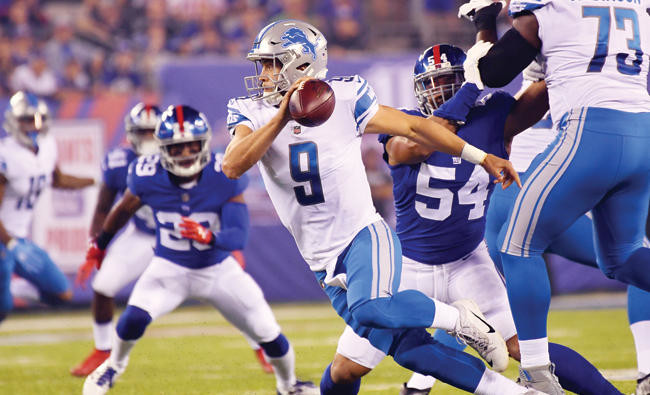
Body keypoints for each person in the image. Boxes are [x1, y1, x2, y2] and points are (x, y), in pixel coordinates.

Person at [224, 19, 544, 395]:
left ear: (300, 63)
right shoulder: (251, 110)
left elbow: (414, 128)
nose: (263, 74)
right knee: (393, 360)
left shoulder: (344, 96)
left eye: (272, 63)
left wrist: (480, 156)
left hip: (363, 238)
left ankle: (458, 320)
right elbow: (233, 164)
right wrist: (282, 116)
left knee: (372, 309)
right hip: (320, 260)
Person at [461, 0, 650, 392]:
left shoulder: (550, 8)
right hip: (642, 133)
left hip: (590, 132)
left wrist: (484, 21)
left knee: (517, 246)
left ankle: (536, 373)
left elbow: (493, 72)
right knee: (623, 257)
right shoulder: (634, 10)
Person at [82, 105, 317, 395]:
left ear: (204, 143)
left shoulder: (222, 174)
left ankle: (288, 384)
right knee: (133, 318)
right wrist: (101, 244)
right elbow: (123, 209)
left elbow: (237, 236)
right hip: (169, 267)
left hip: (218, 269)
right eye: (177, 147)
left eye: (191, 145)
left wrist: (208, 236)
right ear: (163, 148)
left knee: (269, 334)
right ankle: (112, 367)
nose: (185, 153)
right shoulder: (146, 174)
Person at [71, 103, 162, 376]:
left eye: (152, 131)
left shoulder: (180, 157)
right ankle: (103, 350)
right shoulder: (119, 162)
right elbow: (103, 208)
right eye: (142, 132)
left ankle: (262, 345)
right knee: (103, 285)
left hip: (180, 234)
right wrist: (94, 244)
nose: (147, 137)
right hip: (142, 234)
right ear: (131, 133)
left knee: (224, 288)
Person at [0, 91, 95, 323]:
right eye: (26, 120)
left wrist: (96, 181)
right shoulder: (5, 154)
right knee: (2, 309)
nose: (33, 125)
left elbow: (58, 180)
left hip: (19, 239)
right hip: (4, 240)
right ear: (13, 121)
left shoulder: (48, 145)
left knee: (62, 294)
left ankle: (18, 289)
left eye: (37, 119)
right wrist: (9, 244)